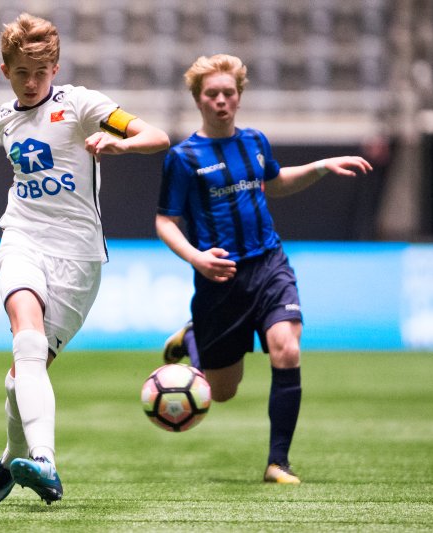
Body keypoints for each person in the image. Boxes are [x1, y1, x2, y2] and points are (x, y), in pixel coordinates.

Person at [0, 13, 170, 505]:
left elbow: (157, 136)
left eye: (41, 72)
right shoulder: (2, 120)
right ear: (5, 71)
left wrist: (120, 143)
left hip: (78, 257)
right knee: (26, 339)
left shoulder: (81, 104)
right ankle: (45, 462)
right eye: (22, 73)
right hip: (21, 237)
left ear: (55, 69)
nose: (32, 82)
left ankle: (10, 460)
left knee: (21, 376)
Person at [156, 54, 372, 485]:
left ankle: (278, 462)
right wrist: (197, 258)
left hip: (270, 264)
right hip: (220, 279)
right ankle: (195, 336)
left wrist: (321, 167)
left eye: (228, 93)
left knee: (286, 348)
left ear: (239, 96)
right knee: (222, 392)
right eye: (212, 94)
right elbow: (165, 222)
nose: (221, 101)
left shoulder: (255, 141)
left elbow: (273, 182)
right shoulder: (183, 157)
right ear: (198, 100)